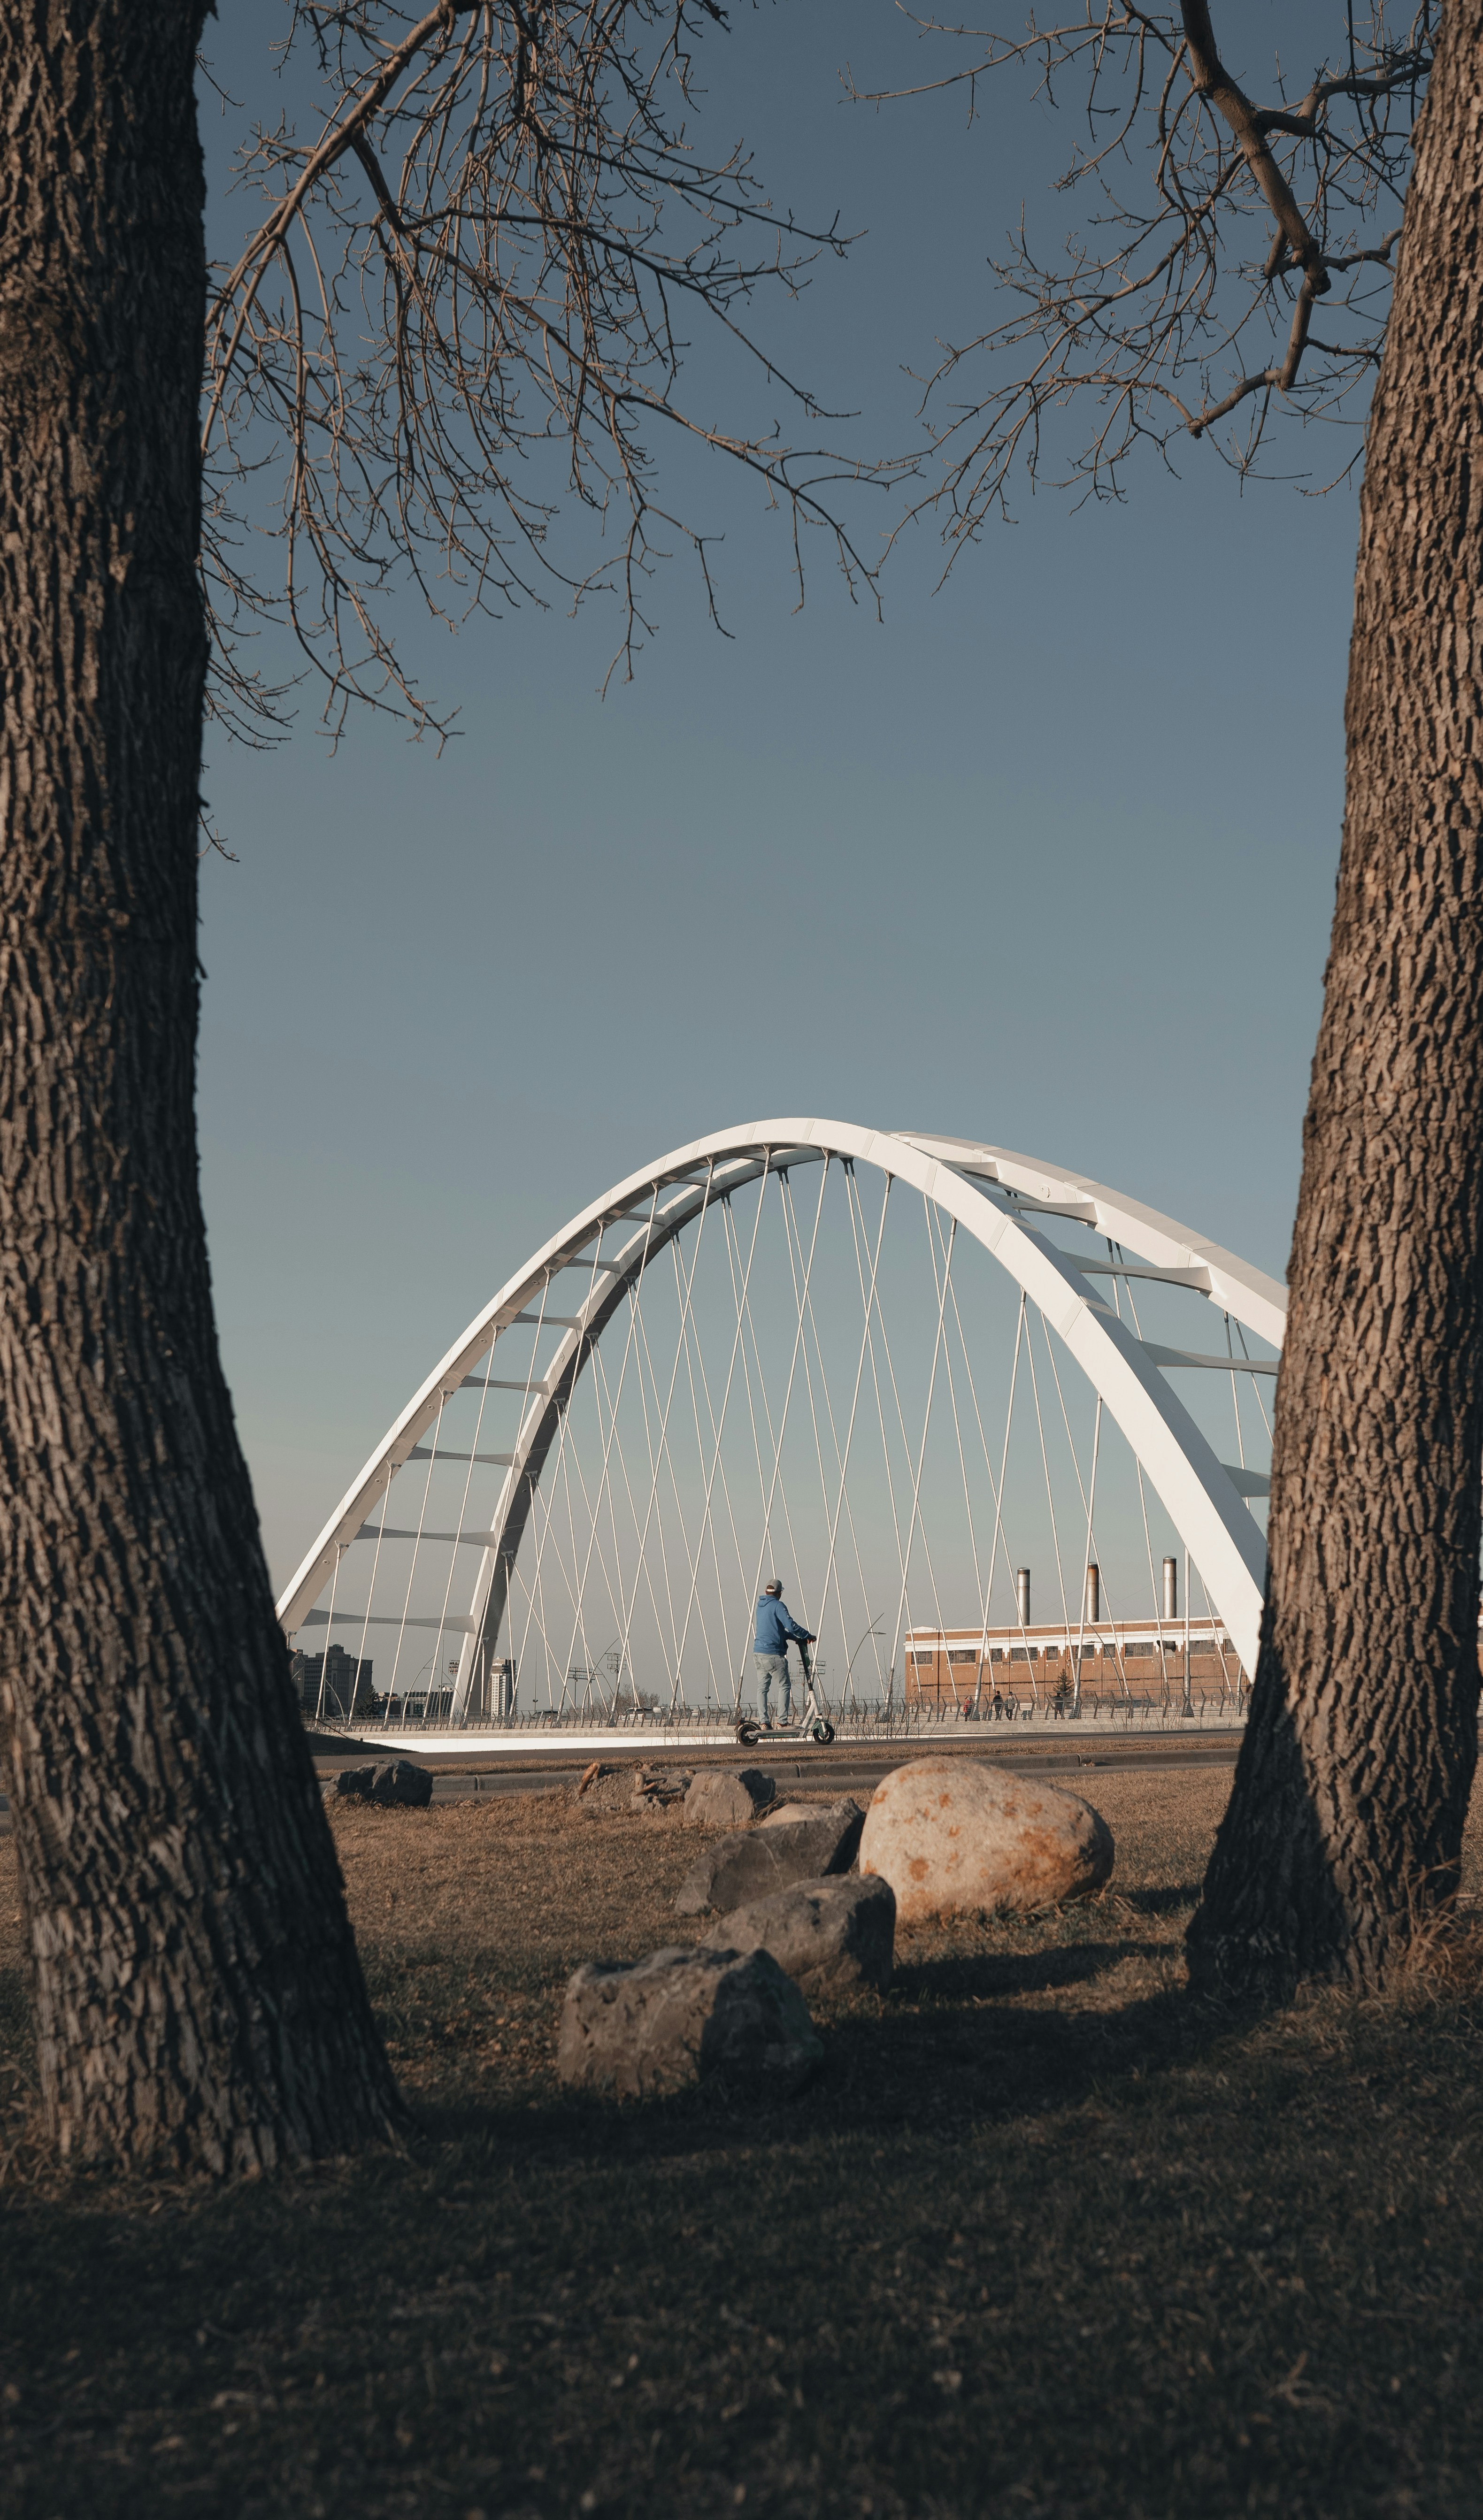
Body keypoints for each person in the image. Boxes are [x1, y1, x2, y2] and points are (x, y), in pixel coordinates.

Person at [753, 1578, 815, 1726]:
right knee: (785, 1685)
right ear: (780, 1593)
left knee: (763, 1687)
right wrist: (807, 1635)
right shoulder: (778, 1606)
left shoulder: (760, 1607)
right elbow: (790, 1626)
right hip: (773, 1654)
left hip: (758, 1653)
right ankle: (782, 1722)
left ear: (766, 1592)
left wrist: (795, 1639)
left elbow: (777, 1631)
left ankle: (764, 1723)